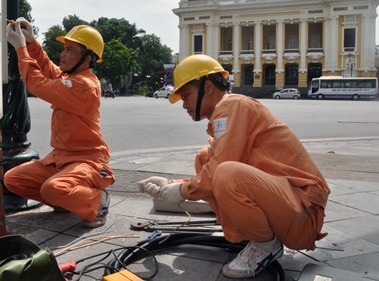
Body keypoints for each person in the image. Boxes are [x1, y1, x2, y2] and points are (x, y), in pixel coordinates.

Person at [139, 54, 330, 278]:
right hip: (291, 204)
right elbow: (214, 165)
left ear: (207, 88)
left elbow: (221, 167)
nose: (184, 105)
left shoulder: (233, 106)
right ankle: (247, 235)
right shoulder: (230, 109)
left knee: (226, 173)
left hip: (303, 213)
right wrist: (172, 185)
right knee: (204, 158)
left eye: (186, 95)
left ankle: (265, 245)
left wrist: (181, 191)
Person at [5, 18, 114, 228]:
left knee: (51, 188)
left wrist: (20, 48)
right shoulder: (71, 78)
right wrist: (31, 42)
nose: (63, 54)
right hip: (61, 159)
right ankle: (69, 200)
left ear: (88, 58)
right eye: (64, 48)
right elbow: (48, 69)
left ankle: (97, 203)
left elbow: (38, 83)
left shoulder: (84, 86)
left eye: (70, 50)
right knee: (14, 179)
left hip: (86, 160)